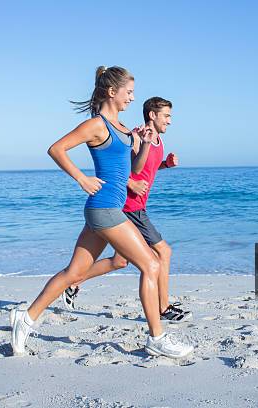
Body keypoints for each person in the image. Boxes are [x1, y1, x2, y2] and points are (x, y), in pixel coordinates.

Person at [9, 66, 194, 359]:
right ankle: (157, 337)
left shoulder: (123, 130)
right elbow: (56, 149)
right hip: (105, 209)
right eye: (129, 92)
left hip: (106, 209)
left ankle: (26, 317)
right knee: (151, 265)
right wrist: (82, 178)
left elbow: (132, 171)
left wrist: (144, 144)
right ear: (112, 92)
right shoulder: (97, 126)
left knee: (75, 272)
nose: (133, 98)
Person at [60, 97, 192, 324]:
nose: (170, 121)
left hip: (135, 206)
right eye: (167, 116)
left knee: (119, 262)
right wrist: (130, 184)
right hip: (130, 206)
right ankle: (164, 307)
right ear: (152, 115)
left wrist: (165, 165)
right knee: (163, 252)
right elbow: (124, 169)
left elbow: (146, 169)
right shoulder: (137, 136)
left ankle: (73, 282)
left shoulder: (156, 140)